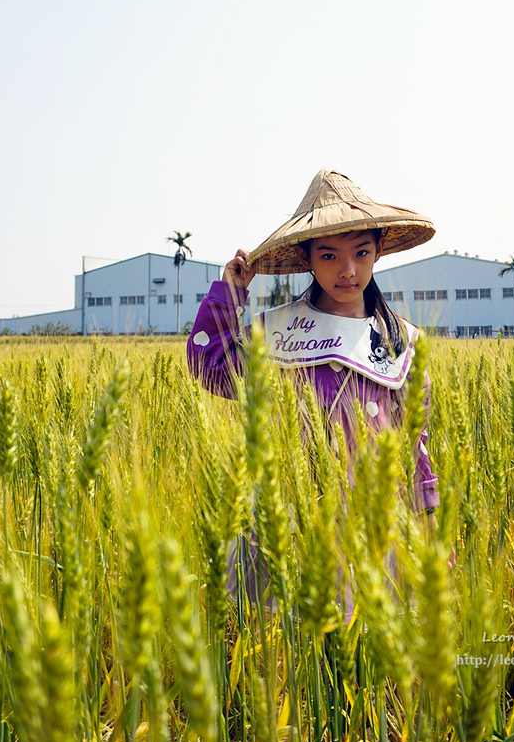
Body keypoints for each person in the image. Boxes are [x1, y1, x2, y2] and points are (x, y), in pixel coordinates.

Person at [187, 168, 440, 515]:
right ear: (307, 258)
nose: (348, 269)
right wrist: (230, 294)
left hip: (371, 530)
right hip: (285, 526)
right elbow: (210, 367)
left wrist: (428, 524)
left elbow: (414, 446)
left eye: (361, 253)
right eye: (329, 255)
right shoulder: (277, 331)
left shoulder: (401, 343)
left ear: (379, 250)